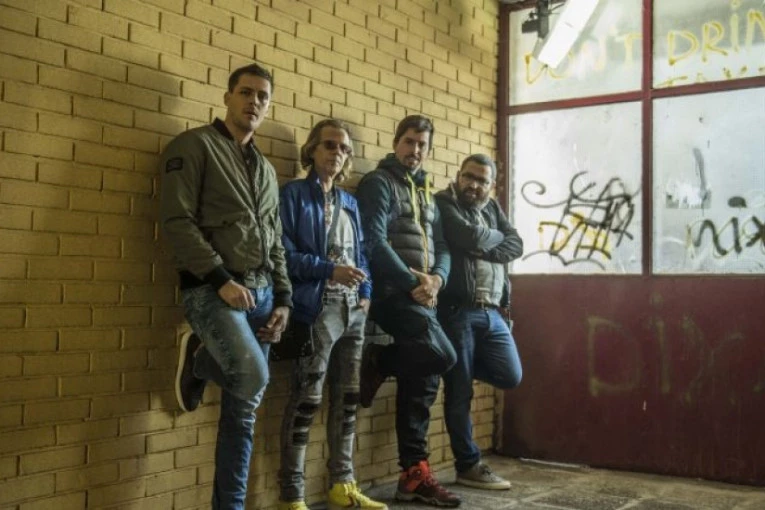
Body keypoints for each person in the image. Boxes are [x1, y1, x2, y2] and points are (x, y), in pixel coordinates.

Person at [160, 63, 292, 510]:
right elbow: (177, 222)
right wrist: (221, 280)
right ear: (227, 97)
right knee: (253, 376)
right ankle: (200, 356)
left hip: (263, 296)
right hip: (211, 291)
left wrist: (284, 300)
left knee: (243, 411)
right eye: (246, 92)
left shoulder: (266, 170)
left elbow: (276, 242)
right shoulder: (193, 146)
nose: (254, 102)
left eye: (262, 97)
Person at [276, 119, 387, 510]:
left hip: (354, 309)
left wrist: (367, 293)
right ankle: (292, 495)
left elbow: (362, 254)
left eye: (343, 148)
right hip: (317, 308)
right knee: (307, 398)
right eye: (329, 145)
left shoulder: (349, 202)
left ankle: (343, 485)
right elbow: (283, 255)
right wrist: (329, 271)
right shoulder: (292, 195)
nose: (336, 153)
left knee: (348, 399)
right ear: (312, 149)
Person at [356, 115, 461, 508]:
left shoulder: (426, 192)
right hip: (391, 294)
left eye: (422, 145)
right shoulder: (379, 183)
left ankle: (413, 476)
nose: (415, 150)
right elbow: (373, 240)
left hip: (423, 296)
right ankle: (379, 359)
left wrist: (437, 280)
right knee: (443, 355)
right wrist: (412, 283)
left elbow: (443, 247)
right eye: (409, 142)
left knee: (424, 380)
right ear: (396, 142)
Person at [434, 154, 523, 491]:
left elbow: (516, 244)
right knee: (460, 392)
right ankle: (467, 465)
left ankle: (460, 367)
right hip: (458, 311)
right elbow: (465, 236)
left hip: (492, 312)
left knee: (510, 374)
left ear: (491, 185)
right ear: (459, 175)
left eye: (482, 180)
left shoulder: (492, 208)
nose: (474, 185)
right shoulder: (445, 201)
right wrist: (487, 240)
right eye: (469, 177)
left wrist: (483, 244)